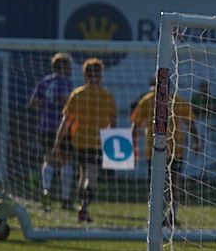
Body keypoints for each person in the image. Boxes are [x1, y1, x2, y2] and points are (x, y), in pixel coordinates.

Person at [131, 72, 201, 228]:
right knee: (171, 183)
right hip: (168, 149)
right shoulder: (173, 100)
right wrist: (197, 142)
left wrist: (133, 143)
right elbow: (191, 124)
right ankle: (168, 215)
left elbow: (136, 125)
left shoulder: (152, 100)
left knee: (162, 184)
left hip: (161, 149)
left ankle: (165, 215)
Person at [57, 57, 117, 224]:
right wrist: (113, 145)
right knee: (91, 175)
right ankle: (83, 207)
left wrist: (58, 141)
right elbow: (113, 123)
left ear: (85, 74)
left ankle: (81, 206)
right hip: (97, 141)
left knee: (84, 174)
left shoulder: (77, 94)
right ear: (101, 74)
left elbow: (66, 121)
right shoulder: (107, 96)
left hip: (79, 141)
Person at [29, 53, 74, 208]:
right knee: (66, 159)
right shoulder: (65, 82)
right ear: (64, 67)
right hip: (62, 126)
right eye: (69, 66)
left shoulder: (45, 81)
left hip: (45, 125)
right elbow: (65, 100)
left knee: (48, 158)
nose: (71, 69)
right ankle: (65, 199)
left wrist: (46, 104)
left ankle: (46, 191)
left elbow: (33, 102)